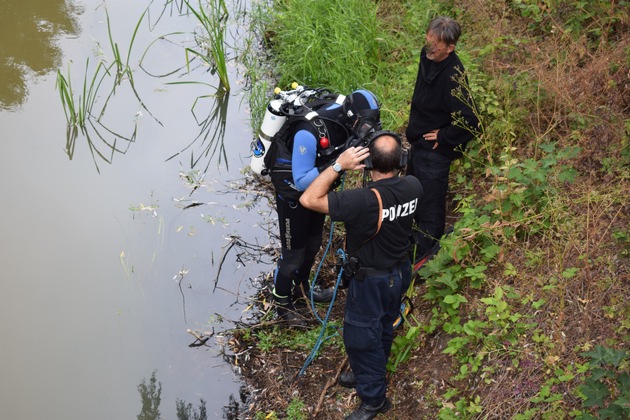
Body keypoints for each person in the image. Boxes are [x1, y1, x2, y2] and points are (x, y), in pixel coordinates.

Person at [300, 132, 422, 420]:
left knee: (360, 339)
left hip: (371, 282)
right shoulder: (414, 186)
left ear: (368, 164)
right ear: (401, 161)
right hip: (400, 273)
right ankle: (369, 373)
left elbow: (309, 198)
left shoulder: (362, 201)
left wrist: (339, 165)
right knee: (383, 326)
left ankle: (374, 399)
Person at [268, 89, 381, 327]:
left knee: (313, 244)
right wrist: (339, 166)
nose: (365, 132)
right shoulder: (309, 133)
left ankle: (302, 288)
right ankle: (281, 304)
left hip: (318, 188)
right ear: (352, 116)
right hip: (293, 193)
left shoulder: (347, 123)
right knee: (293, 256)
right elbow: (301, 180)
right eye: (364, 127)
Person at [405, 16, 478, 261]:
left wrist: (445, 136)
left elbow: (472, 121)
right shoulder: (426, 57)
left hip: (434, 154)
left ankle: (425, 260)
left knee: (430, 211)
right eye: (429, 41)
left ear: (450, 48)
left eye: (437, 45)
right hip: (417, 145)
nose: (430, 48)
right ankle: (409, 249)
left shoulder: (453, 76)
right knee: (412, 200)